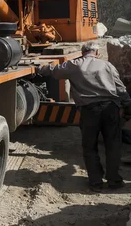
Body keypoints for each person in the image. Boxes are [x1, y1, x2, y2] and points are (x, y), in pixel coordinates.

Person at [36, 41, 131, 192]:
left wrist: (39, 69)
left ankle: (96, 182)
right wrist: (127, 106)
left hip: (89, 111)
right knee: (113, 145)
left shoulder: (75, 65)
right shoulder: (107, 65)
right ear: (97, 53)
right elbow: (120, 88)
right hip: (110, 109)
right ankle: (114, 180)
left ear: (82, 52)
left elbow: (54, 71)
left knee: (90, 146)